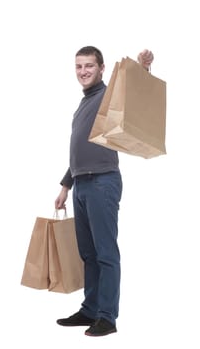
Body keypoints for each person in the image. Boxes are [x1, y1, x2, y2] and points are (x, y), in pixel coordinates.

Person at [54, 46, 154, 337]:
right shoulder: (82, 105)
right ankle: (90, 309)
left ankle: (107, 317)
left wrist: (142, 69)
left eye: (89, 66)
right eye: (78, 67)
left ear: (102, 68)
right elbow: (78, 153)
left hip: (102, 182)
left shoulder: (108, 96)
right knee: (88, 253)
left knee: (105, 253)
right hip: (81, 184)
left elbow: (132, 98)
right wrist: (65, 186)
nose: (83, 71)